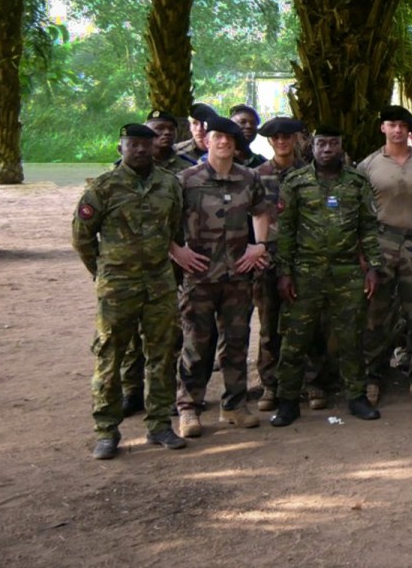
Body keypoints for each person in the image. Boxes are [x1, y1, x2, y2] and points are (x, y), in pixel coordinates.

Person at [73, 123, 190, 459]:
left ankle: (159, 425)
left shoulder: (168, 184)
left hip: (158, 282)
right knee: (110, 355)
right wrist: (103, 271)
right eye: (133, 144)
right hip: (117, 286)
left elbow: (175, 230)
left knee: (163, 353)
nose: (140, 149)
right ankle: (107, 431)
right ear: (120, 147)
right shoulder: (104, 187)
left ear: (154, 148)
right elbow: (82, 237)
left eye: (145, 144)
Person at [269, 126, 385, 427]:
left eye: (333, 143)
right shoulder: (296, 182)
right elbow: (286, 231)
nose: (327, 149)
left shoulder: (357, 182)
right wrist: (284, 272)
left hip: (347, 271)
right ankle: (287, 401)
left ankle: (357, 397)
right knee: (296, 338)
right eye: (322, 143)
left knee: (351, 337)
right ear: (312, 147)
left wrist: (373, 267)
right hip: (306, 270)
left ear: (341, 147)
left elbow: (369, 228)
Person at [170, 116, 274, 438]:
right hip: (200, 277)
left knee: (236, 344)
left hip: (237, 277)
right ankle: (189, 408)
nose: (224, 143)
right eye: (218, 137)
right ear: (207, 140)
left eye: (230, 139)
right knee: (195, 346)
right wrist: (177, 252)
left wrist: (259, 246)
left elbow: (260, 211)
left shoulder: (249, 178)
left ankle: (234, 406)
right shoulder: (186, 180)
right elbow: (164, 222)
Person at [356, 105, 412, 404]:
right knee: (377, 312)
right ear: (383, 128)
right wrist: (364, 257)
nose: (398, 130)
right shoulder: (368, 166)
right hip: (382, 241)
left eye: (403, 125)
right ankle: (372, 376)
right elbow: (360, 214)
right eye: (391, 124)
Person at [252, 117, 313, 411]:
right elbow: (249, 216)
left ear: (296, 139)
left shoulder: (310, 174)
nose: (281, 142)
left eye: (286, 136)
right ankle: (270, 385)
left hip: (304, 256)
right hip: (269, 257)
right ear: (269, 141)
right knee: (269, 325)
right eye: (276, 138)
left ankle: (309, 382)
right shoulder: (257, 175)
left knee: (306, 323)